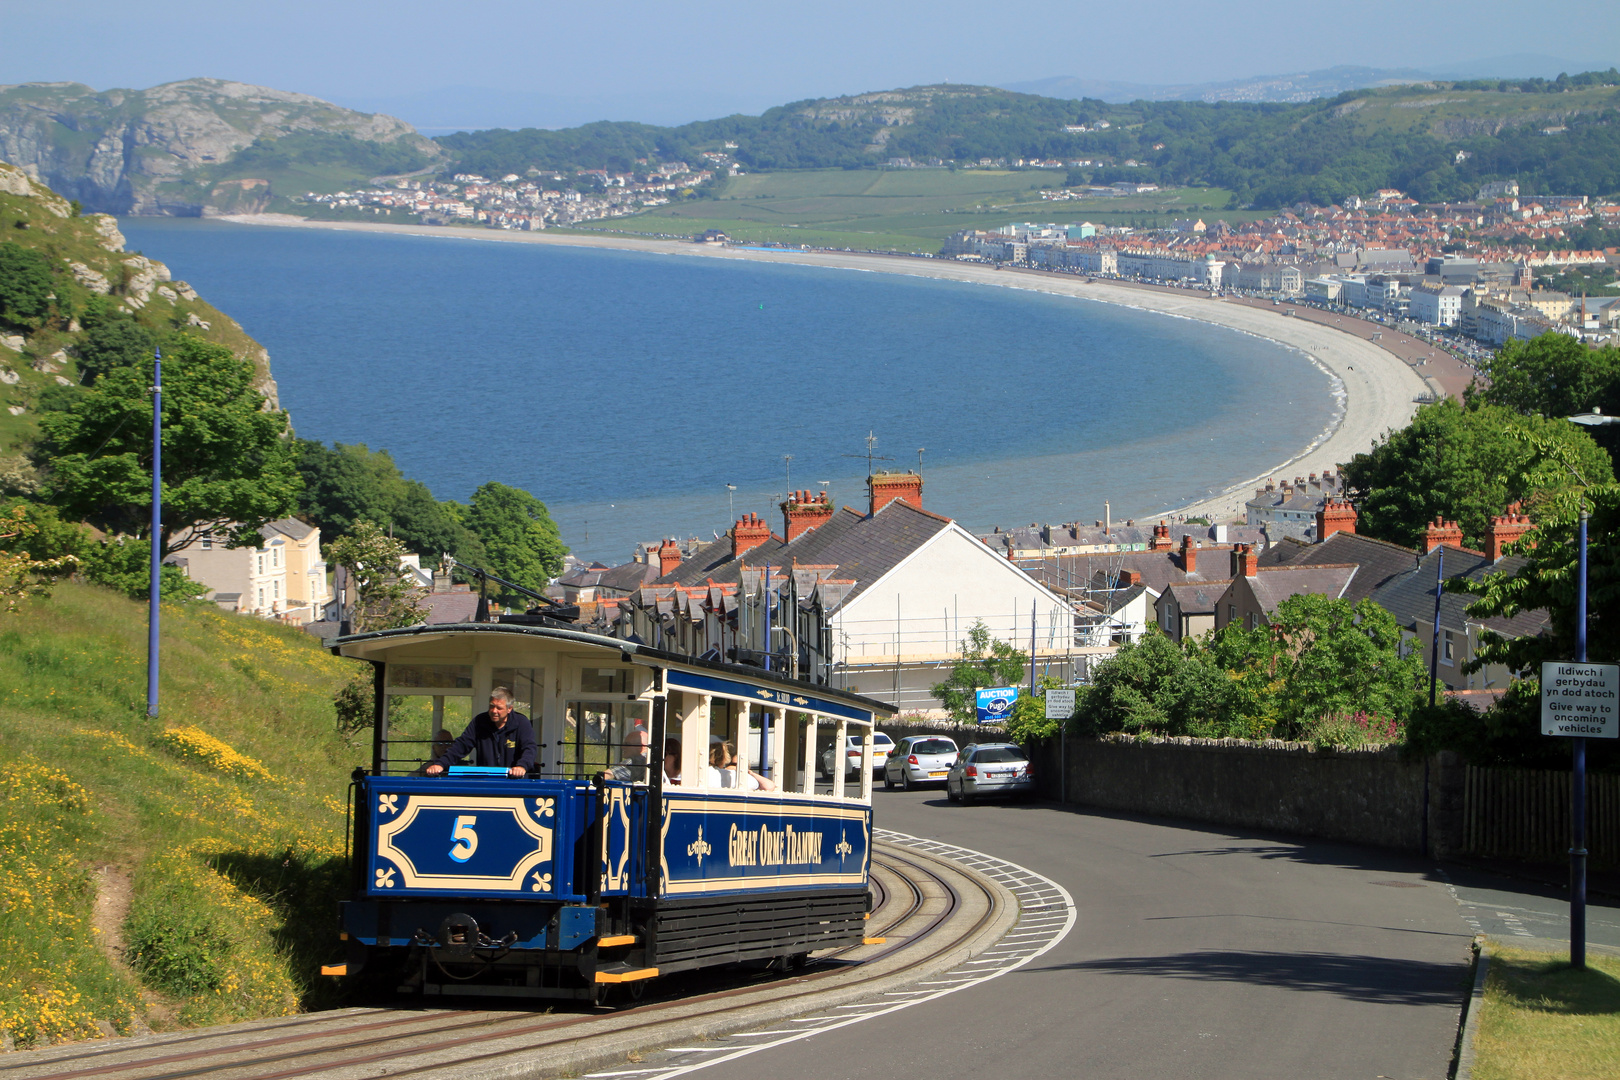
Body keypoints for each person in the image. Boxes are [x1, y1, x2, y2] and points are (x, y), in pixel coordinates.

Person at [425, 688, 536, 777]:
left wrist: (521, 767)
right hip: (486, 781)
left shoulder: (521, 723)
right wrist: (441, 764)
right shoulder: (480, 722)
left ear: (509, 709)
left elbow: (529, 749)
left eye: (499, 708)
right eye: (491, 706)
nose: (494, 711)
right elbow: (461, 746)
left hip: (514, 782)